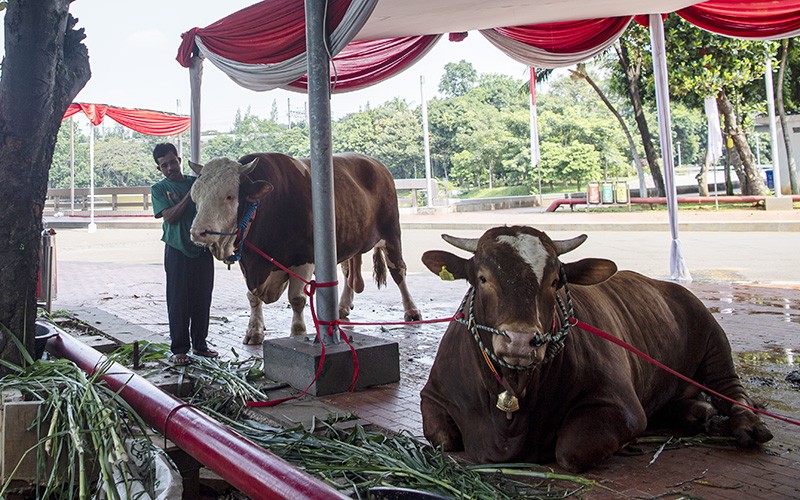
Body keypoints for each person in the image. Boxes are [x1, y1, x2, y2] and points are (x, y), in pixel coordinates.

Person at [151, 143, 217, 365]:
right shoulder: (159, 189)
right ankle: (179, 348)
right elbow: (169, 216)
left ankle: (200, 345)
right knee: (178, 299)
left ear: (179, 160)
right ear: (159, 169)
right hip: (176, 250)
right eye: (164, 165)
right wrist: (190, 195)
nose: (170, 167)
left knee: (203, 297)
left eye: (173, 162)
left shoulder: (195, 182)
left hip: (201, 249)